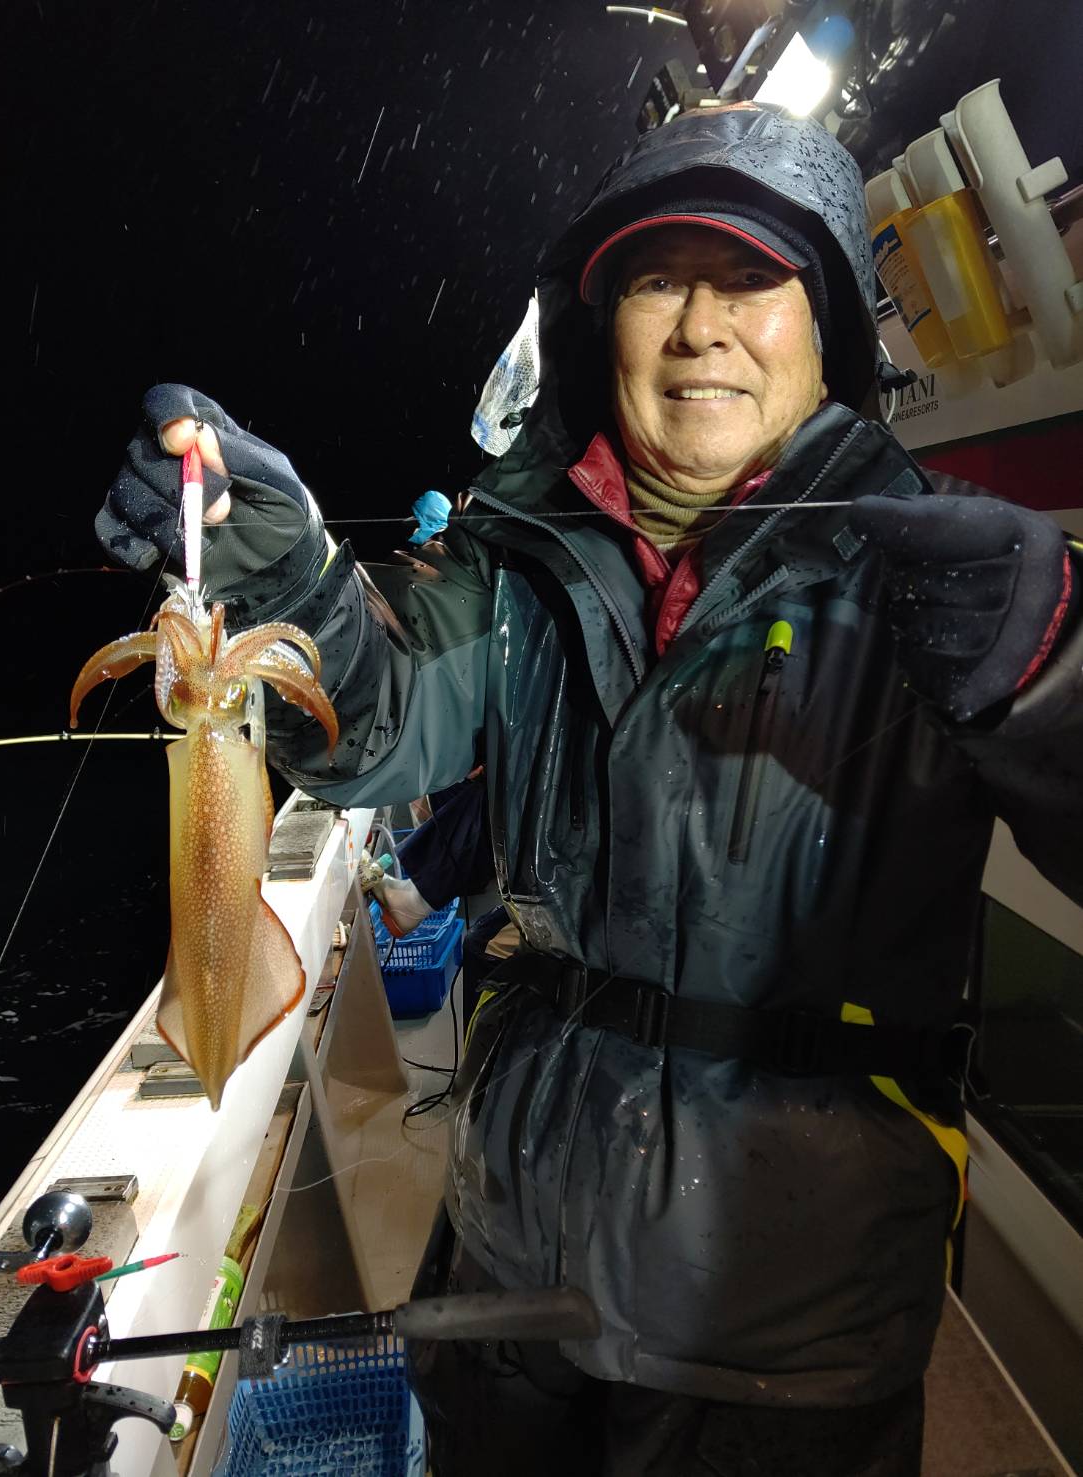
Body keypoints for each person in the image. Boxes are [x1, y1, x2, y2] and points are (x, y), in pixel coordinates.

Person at [98, 103, 1083, 1476]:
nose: (702, 328)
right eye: (658, 280)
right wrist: (279, 570)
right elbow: (379, 724)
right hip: (515, 1272)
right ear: (599, 324)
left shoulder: (946, 568)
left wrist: (1049, 676)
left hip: (787, 1329)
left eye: (753, 278)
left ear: (829, 327)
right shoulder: (518, 558)